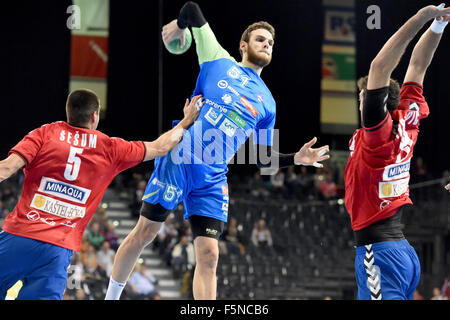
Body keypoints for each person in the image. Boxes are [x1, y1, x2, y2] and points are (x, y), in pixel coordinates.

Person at [105, 1, 329, 301]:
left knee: (210, 255)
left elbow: (263, 160)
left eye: (271, 42)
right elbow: (192, 8)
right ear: (243, 45)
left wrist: (296, 158)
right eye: (261, 39)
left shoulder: (268, 103)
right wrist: (180, 25)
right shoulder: (218, 59)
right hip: (181, 156)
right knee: (146, 232)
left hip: (212, 176)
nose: (267, 45)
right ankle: (110, 297)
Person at [0, 88, 201, 300]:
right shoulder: (109, 148)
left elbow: (5, 169)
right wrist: (186, 121)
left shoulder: (45, 133)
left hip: (19, 236)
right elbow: (160, 147)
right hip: (56, 251)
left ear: (68, 112)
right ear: (94, 116)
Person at [344, 4, 450, 300]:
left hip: (378, 255)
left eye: (363, 97)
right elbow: (418, 66)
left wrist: (420, 18)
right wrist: (438, 27)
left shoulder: (378, 137)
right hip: (401, 253)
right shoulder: (408, 120)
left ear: (374, 104)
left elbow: (380, 66)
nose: (360, 101)